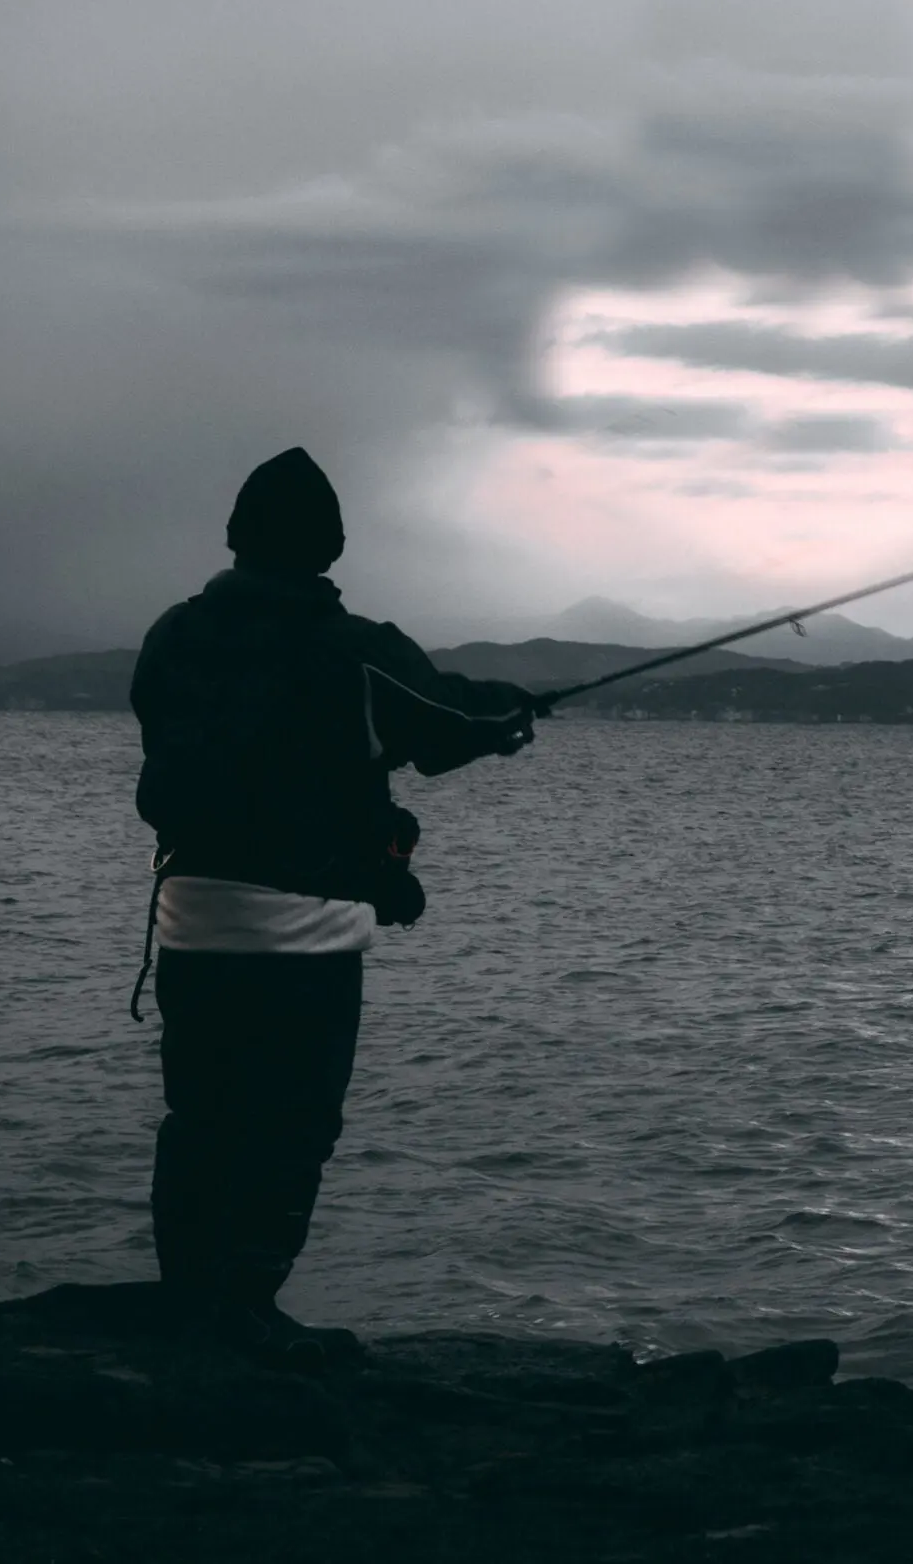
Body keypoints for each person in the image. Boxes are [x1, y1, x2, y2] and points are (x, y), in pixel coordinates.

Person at [130, 447, 538, 1371]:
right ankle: (246, 1311)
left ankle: (190, 1308)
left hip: (191, 924)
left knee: (199, 1121)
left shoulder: (170, 638)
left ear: (236, 536)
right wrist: (512, 712)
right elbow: (444, 722)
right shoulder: (351, 648)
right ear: (332, 546)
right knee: (291, 1127)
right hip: (302, 940)